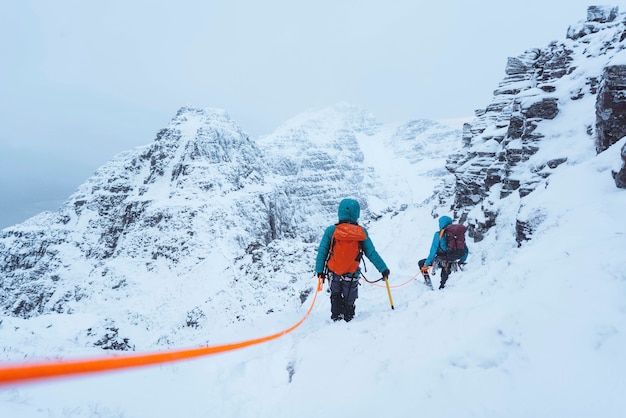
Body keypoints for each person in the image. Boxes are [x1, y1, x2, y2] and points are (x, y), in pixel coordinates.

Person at [315, 198, 389, 322]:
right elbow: (371, 253)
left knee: (335, 296)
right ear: (356, 214)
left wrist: (320, 271)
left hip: (334, 273)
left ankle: (336, 319)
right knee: (350, 301)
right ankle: (349, 319)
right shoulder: (361, 233)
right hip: (352, 274)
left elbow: (322, 251)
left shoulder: (331, 231)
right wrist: (383, 268)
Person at [418, 215, 468, 289]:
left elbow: (433, 250)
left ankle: (428, 285)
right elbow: (465, 249)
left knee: (421, 263)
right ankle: (442, 288)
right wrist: (461, 261)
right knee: (445, 277)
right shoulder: (457, 235)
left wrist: (427, 263)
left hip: (441, 260)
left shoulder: (439, 234)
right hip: (452, 260)